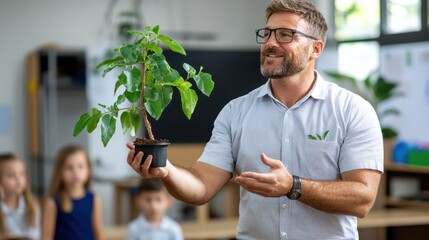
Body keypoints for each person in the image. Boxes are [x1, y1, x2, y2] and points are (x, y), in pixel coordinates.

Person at [127, 0, 383, 239]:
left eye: (285, 34)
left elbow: (362, 198)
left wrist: (293, 186)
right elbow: (202, 186)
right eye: (267, 34)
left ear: (315, 48)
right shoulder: (235, 112)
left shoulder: (353, 111)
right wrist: (167, 171)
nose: (270, 43)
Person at [41, 145, 104, 240]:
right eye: (69, 167)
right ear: (60, 171)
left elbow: (99, 233)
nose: (75, 172)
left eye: (80, 167)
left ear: (88, 170)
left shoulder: (94, 199)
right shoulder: (53, 202)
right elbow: (46, 237)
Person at [0, 153, 40, 239]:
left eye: (22, 174)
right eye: (11, 175)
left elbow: (36, 235)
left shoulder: (32, 205)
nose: (19, 179)